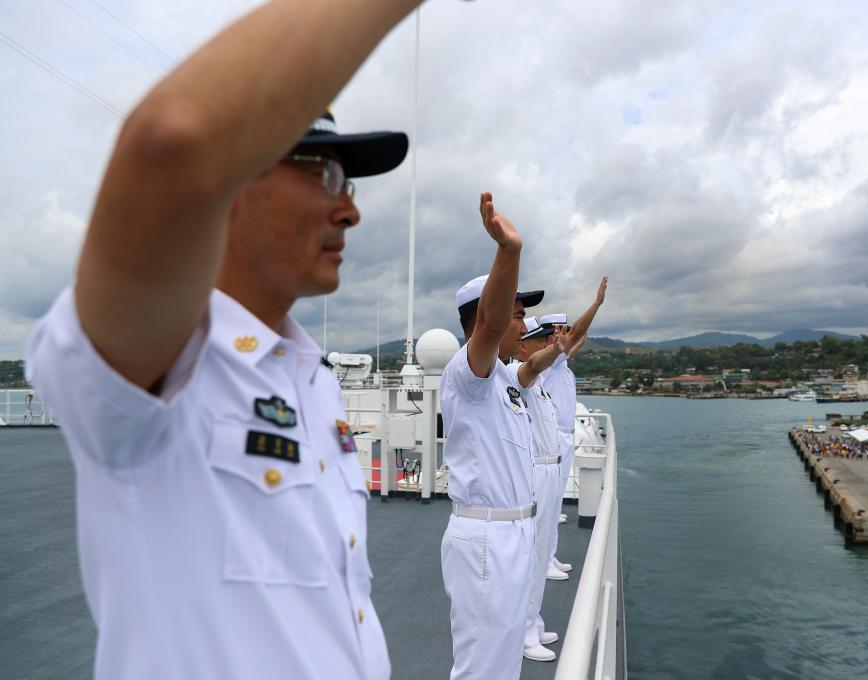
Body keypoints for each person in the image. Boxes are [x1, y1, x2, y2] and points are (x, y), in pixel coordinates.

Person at [24, 1, 424, 677]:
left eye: (348, 182)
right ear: (235, 176)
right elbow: (173, 138)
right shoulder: (160, 370)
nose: (349, 209)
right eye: (323, 172)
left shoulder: (314, 382)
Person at [440, 193, 568, 680]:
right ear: (485, 317)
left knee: (506, 654)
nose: (522, 323)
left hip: (515, 531)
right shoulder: (469, 374)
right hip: (486, 540)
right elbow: (492, 325)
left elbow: (534, 365)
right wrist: (509, 251)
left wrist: (560, 347)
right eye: (516, 313)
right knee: (482, 665)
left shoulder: (506, 378)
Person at [539, 276, 608, 579]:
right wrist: (596, 304)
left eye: (567, 330)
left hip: (565, 439)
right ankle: (542, 561)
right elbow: (577, 334)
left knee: (555, 503)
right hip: (554, 438)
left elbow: (574, 345)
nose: (566, 335)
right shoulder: (551, 361)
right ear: (550, 337)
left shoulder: (562, 365)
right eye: (561, 331)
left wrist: (578, 343)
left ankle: (549, 557)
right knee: (548, 503)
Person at [515, 317, 568, 662]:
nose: (549, 345)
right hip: (535, 473)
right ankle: (523, 633)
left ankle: (533, 623)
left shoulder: (539, 386)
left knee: (543, 551)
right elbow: (535, 365)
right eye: (542, 341)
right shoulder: (519, 376)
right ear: (524, 347)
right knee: (532, 557)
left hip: (550, 470)